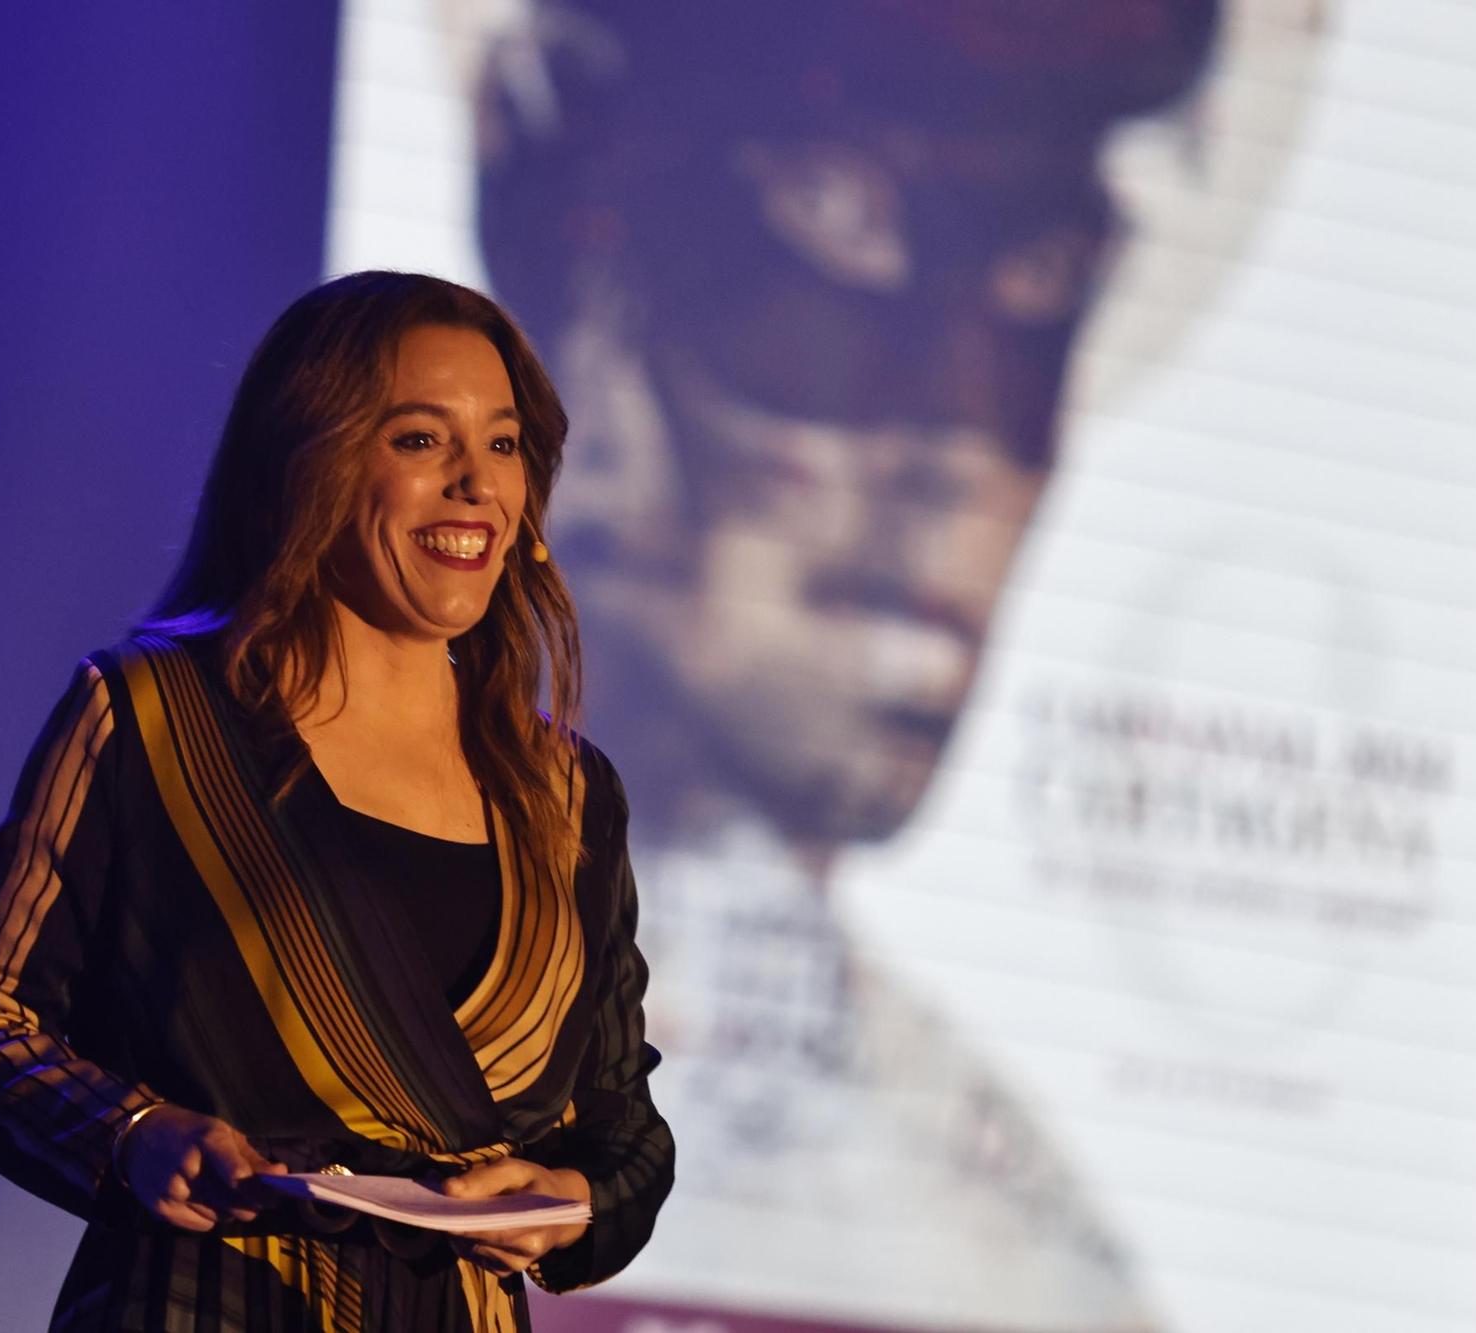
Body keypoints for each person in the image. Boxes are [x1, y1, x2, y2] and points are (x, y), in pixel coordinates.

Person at [473, 3, 1219, 1328]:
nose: (952, 453)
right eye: (839, 225)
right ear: (581, 274)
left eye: (1043, 279)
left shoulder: (1014, 1258)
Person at [0, 271, 673, 1333]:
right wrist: (128, 1132)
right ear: (311, 461)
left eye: (500, 445)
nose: (474, 485)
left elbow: (621, 1127)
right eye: (418, 440)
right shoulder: (153, 720)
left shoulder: (567, 796)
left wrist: (579, 1202)